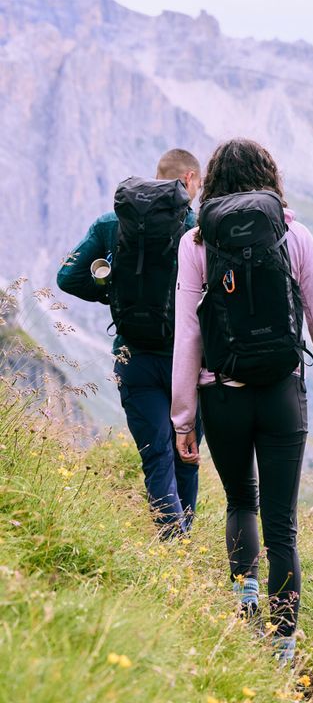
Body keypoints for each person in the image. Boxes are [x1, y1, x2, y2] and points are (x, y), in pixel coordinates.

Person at [170, 138, 313, 666]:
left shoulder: (196, 243)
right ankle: (283, 648)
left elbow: (187, 335)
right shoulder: (296, 235)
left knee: (239, 503)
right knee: (283, 524)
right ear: (270, 179)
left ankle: (243, 599)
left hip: (220, 393)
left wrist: (183, 416)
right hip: (281, 393)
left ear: (214, 183)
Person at [57, 149, 204, 537]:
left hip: (133, 355)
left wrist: (113, 294)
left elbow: (67, 277)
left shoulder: (111, 223)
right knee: (185, 455)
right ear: (189, 180)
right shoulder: (196, 228)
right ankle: (182, 540)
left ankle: (173, 547)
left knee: (156, 455)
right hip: (185, 361)